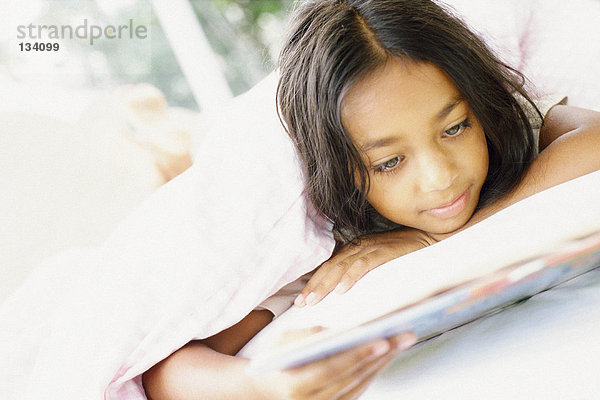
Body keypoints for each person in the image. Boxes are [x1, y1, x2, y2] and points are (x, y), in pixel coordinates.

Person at [142, 0, 600, 398]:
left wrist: (435, 239)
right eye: (388, 163)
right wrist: (264, 386)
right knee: (188, 175)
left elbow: (594, 137)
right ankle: (168, 148)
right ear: (342, 172)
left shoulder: (502, 127)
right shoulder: (328, 242)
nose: (441, 178)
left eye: (454, 127)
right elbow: (168, 372)